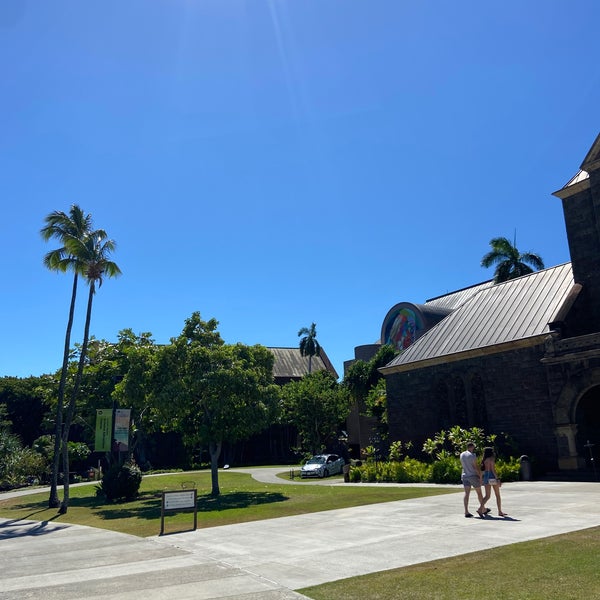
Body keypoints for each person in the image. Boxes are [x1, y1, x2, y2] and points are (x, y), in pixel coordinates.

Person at [460, 442, 486, 518]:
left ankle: (466, 511)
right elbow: (475, 467)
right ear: (471, 447)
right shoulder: (472, 455)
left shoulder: (462, 454)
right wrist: (480, 475)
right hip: (472, 475)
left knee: (466, 493)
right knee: (479, 493)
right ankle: (483, 509)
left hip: (465, 475)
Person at [481, 446, 508, 517]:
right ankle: (499, 511)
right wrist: (498, 479)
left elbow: (483, 470)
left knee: (487, 495)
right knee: (497, 495)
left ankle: (480, 508)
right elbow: (493, 470)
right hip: (492, 476)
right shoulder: (491, 459)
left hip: (486, 476)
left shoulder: (484, 460)